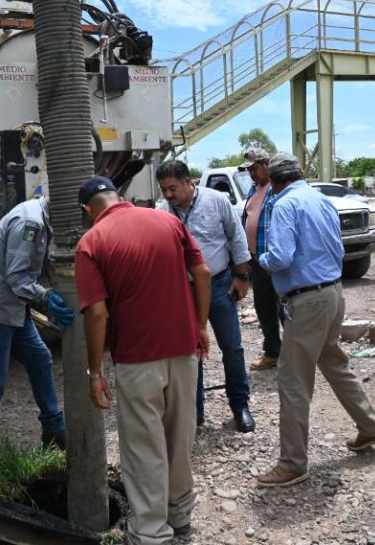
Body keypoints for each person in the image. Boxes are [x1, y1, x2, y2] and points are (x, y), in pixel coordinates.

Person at [75, 176, 211, 544]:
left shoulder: (92, 241)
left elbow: (97, 314)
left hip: (137, 360)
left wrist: (94, 371)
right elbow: (202, 272)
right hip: (184, 352)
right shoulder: (167, 220)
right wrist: (200, 326)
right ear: (119, 197)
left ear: (89, 211)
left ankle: (151, 533)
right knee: (180, 437)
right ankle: (180, 516)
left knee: (143, 447)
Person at [255, 153, 375, 488]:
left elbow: (281, 257)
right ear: (300, 174)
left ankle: (292, 464)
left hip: (307, 300)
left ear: (273, 182)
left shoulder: (284, 205)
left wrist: (260, 258)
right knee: (334, 363)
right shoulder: (322, 200)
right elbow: (338, 249)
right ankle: (371, 427)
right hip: (332, 294)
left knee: (293, 381)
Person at [0, 195, 73, 451]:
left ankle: (54, 430)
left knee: (40, 360)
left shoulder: (42, 218)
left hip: (12, 310)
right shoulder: (29, 223)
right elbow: (16, 276)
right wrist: (44, 296)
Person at [156, 160, 255, 432]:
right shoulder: (162, 212)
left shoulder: (217, 201)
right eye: (164, 189)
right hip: (184, 291)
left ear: (190, 182)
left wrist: (242, 276)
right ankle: (194, 412)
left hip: (220, 285)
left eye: (173, 188)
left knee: (232, 348)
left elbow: (236, 237)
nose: (168, 195)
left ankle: (240, 406)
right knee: (191, 353)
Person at [238, 148, 283, 371]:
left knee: (285, 307)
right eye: (249, 170)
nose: (252, 174)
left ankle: (296, 355)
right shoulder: (253, 190)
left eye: (254, 169)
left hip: (276, 258)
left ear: (266, 164)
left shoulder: (278, 188)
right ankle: (273, 352)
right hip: (256, 258)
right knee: (264, 307)